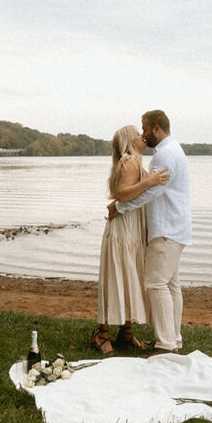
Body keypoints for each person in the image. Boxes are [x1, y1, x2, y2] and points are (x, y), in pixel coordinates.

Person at [107, 110, 191, 357]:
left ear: (156, 128)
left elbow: (153, 191)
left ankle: (165, 344)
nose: (143, 134)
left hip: (166, 228)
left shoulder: (164, 154)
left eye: (144, 128)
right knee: (171, 285)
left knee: (155, 284)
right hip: (177, 227)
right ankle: (174, 338)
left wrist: (120, 207)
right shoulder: (174, 149)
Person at [91, 125, 170, 355]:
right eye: (136, 134)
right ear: (128, 141)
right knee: (115, 277)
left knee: (129, 276)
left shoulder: (134, 162)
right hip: (122, 231)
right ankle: (101, 335)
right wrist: (151, 181)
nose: (141, 136)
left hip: (131, 229)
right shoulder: (128, 162)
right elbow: (124, 195)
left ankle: (126, 333)